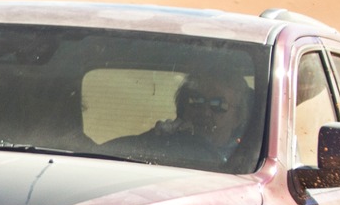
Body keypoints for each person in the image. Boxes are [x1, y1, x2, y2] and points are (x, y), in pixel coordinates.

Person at [100, 66, 253, 169]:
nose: (205, 112)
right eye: (196, 100)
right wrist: (155, 139)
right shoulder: (162, 142)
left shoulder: (247, 163)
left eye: (218, 105)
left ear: (238, 117)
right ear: (182, 107)